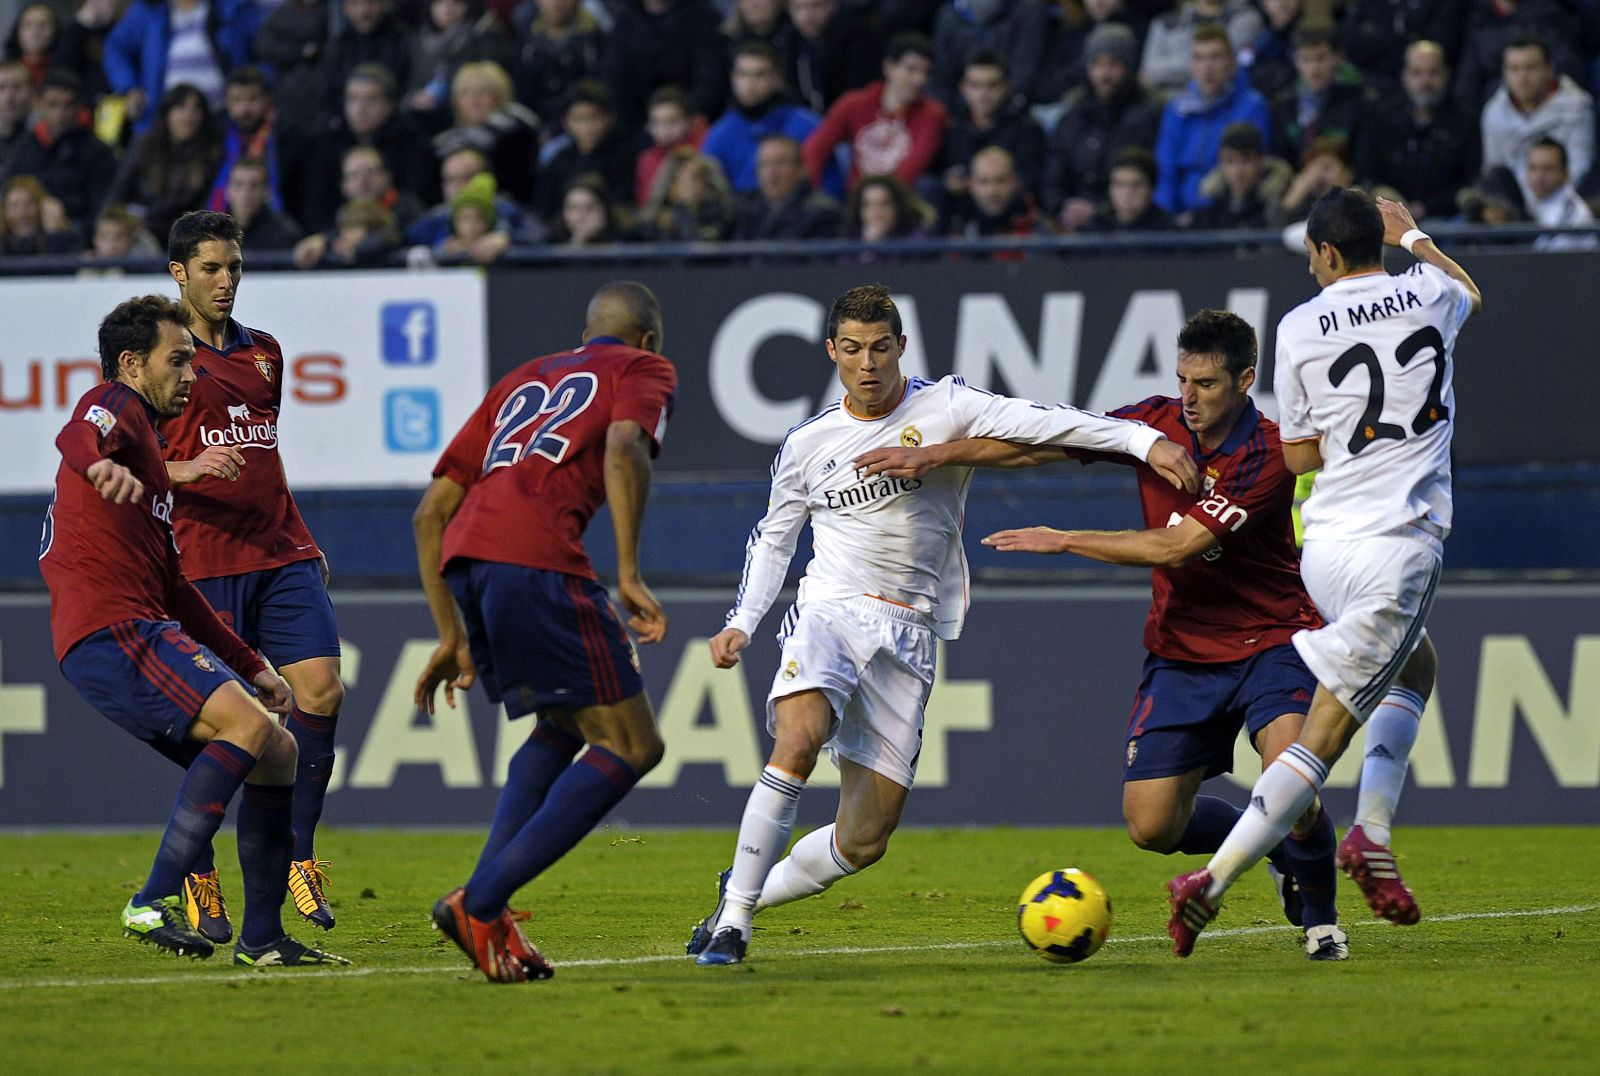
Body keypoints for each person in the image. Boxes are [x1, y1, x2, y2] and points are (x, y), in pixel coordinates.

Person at [685, 284, 1199, 966]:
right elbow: (774, 540)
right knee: (799, 737)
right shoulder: (808, 444)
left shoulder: (948, 406)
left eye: (880, 348)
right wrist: (743, 622)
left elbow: (1047, 422)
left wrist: (1144, 440)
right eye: (852, 350)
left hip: (909, 630)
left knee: (863, 840)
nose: (867, 363)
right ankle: (735, 926)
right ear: (832, 352)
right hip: (830, 611)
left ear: (900, 347)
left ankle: (741, 891)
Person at [857, 310, 1348, 960]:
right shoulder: (1155, 423)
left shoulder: (1267, 454)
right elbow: (1040, 446)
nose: (1190, 398)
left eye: (1205, 383)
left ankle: (1320, 919)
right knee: (1151, 826)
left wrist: (1064, 539)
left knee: (1291, 779)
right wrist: (935, 454)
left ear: (1246, 380)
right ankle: (1275, 845)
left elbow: (1178, 546)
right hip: (1183, 653)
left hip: (1273, 640)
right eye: (1182, 381)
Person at [1166, 188, 1483, 956]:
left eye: (1310, 256)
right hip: (1397, 545)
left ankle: (1369, 830)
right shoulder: (1429, 292)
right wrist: (1416, 237)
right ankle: (1217, 877)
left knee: (1417, 666)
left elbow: (1301, 454)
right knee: (1323, 737)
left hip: (1327, 547)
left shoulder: (1300, 325)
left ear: (1328, 254)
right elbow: (1471, 289)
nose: (1311, 269)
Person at [39, 292, 346, 968]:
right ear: (131, 364)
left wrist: (254, 665)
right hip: (113, 628)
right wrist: (95, 464)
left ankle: (262, 940)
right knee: (248, 729)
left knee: (279, 752)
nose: (191, 374)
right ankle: (152, 898)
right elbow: (74, 434)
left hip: (133, 626)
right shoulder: (116, 406)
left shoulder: (149, 459)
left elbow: (180, 590)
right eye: (178, 361)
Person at [413, 281, 676, 983]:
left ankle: (482, 908)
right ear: (649, 341)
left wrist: (450, 633)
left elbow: (429, 514)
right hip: (538, 562)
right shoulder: (643, 370)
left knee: (564, 726)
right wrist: (627, 571)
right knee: (633, 744)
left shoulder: (522, 378)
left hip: (470, 563)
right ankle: (482, 898)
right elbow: (625, 447)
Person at [157, 210, 346, 945]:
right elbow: (125, 465)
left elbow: (263, 452)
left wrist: (301, 531)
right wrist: (187, 468)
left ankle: (299, 855)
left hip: (280, 554)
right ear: (179, 274)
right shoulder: (155, 358)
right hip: (200, 566)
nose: (227, 280)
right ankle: (199, 874)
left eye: (234, 266)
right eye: (211, 268)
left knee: (323, 690)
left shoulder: (265, 352)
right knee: (211, 728)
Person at [1042, 22, 1163, 228]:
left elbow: (1151, 180)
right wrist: (1061, 206)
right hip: (1070, 222)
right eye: (1097, 64)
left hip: (1129, 223)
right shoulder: (1073, 112)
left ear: (1129, 67)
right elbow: (1052, 176)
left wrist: (1101, 211)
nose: (1104, 74)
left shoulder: (1150, 113)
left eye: (1113, 64)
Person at [1153, 24, 1272, 219]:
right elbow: (1165, 172)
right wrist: (1165, 218)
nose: (1207, 67)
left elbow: (1250, 169)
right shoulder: (1176, 109)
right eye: (1199, 58)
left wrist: (1204, 216)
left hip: (1227, 216)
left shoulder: (1252, 106)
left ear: (1232, 63)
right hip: (1178, 219)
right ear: (1191, 65)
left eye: (1215, 57)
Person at [803, 32, 946, 193]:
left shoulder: (932, 114)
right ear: (889, 67)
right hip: (857, 202)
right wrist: (809, 194)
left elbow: (913, 168)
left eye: (926, 72)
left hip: (902, 203)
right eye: (911, 69)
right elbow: (815, 149)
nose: (919, 80)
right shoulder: (854, 104)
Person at [1355, 41, 1479, 223]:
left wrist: (1427, 207)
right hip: (1391, 217)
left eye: (1433, 72)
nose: (1425, 81)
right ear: (1405, 76)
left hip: (1449, 218)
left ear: (1446, 75)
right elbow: (1369, 173)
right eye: (1417, 73)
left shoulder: (1466, 119)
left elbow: (1471, 179)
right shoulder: (1382, 118)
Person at [701, 41, 826, 195]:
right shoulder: (717, 135)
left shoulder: (808, 126)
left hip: (801, 214)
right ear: (733, 78)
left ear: (777, 79)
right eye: (743, 74)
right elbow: (711, 196)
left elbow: (828, 189)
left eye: (759, 74)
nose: (750, 84)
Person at [107, 83, 223, 245]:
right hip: (137, 233)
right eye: (181, 107)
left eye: (196, 109)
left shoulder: (212, 154)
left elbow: (205, 207)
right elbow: (118, 193)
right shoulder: (143, 146)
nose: (188, 116)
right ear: (167, 112)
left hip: (186, 238)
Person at [1479, 35, 1593, 191]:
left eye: (1530, 68)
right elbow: (1493, 171)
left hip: (1563, 203)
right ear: (1504, 74)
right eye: (1514, 69)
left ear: (1548, 70)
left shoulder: (1577, 107)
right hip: (1513, 209)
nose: (1522, 78)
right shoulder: (1493, 113)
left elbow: (1579, 170)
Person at [732, 133, 841, 240]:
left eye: (780, 163)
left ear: (801, 169)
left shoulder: (823, 213)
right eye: (764, 164)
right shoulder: (746, 206)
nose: (771, 173)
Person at [1190, 121, 1290, 229]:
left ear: (1261, 160)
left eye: (1246, 160)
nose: (1238, 170)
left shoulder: (1280, 199)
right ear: (1220, 162)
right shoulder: (1210, 202)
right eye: (1230, 161)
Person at [1083, 147, 1174, 232]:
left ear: (1151, 188)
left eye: (1136, 185)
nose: (1127, 192)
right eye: (1120, 184)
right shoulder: (1095, 227)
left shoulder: (1168, 231)